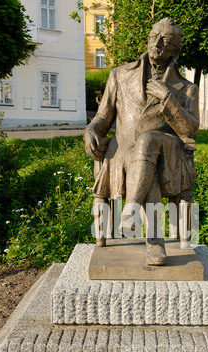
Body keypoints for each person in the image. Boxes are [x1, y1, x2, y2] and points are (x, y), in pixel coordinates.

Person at [84, 17, 200, 266]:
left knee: (148, 143)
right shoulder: (119, 75)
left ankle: (132, 209)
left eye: (165, 40)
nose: (156, 43)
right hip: (124, 151)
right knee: (144, 161)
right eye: (153, 36)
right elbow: (104, 116)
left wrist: (168, 97)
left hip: (167, 152)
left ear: (175, 50)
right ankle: (153, 242)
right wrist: (91, 130)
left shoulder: (186, 87)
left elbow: (191, 129)